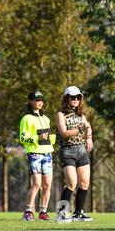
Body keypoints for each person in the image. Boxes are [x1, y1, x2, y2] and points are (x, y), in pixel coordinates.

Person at [55, 86, 94, 222]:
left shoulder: (81, 115)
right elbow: (64, 133)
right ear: (66, 98)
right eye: (73, 97)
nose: (76, 99)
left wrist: (89, 137)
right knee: (72, 182)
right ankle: (61, 213)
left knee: (84, 183)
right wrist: (79, 129)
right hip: (67, 150)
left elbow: (88, 126)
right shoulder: (60, 114)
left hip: (81, 151)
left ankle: (78, 213)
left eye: (78, 97)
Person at [19, 91, 55, 221]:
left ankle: (43, 213)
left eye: (41, 99)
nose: (39, 102)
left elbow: (49, 138)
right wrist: (36, 137)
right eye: (36, 99)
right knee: (37, 184)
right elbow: (22, 138)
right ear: (30, 101)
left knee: (47, 185)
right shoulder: (26, 118)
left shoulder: (46, 119)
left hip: (47, 153)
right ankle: (28, 212)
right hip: (34, 154)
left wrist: (54, 138)